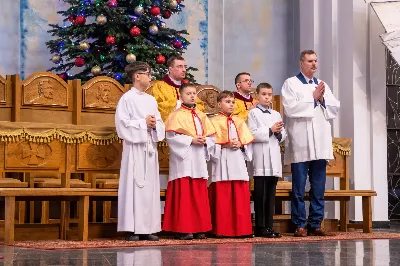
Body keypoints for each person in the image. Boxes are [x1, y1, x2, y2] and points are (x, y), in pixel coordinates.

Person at [281, 50, 340, 237]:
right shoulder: (291, 83)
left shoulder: (322, 84)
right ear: (301, 63)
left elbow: (334, 108)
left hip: (320, 142)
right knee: (298, 187)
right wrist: (312, 98)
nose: (314, 64)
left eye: (316, 60)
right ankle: (299, 224)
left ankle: (315, 223)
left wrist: (322, 99)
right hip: (301, 142)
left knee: (318, 187)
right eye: (310, 61)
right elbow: (290, 108)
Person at [115, 61, 165, 241]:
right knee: (134, 187)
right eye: (148, 73)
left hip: (149, 148)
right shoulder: (127, 99)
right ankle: (132, 228)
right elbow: (122, 125)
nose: (151, 77)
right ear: (137, 76)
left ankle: (147, 228)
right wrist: (143, 123)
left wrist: (154, 125)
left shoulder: (151, 100)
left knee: (150, 188)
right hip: (135, 149)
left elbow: (159, 123)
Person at [162, 83, 216, 240]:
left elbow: (212, 136)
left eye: (194, 93)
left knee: (199, 193)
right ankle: (183, 228)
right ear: (181, 96)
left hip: (198, 158)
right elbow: (171, 137)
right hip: (183, 160)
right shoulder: (176, 115)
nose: (192, 96)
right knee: (184, 193)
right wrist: (190, 139)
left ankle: (200, 227)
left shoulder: (201, 115)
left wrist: (205, 141)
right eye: (188, 93)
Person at [208, 90, 254, 237]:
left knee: (240, 195)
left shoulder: (239, 121)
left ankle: (242, 229)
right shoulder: (213, 121)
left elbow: (248, 144)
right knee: (223, 196)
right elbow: (209, 143)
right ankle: (222, 229)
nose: (231, 105)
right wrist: (224, 145)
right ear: (219, 104)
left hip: (237, 160)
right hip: (222, 159)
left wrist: (241, 144)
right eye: (227, 102)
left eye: (233, 102)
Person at [247, 83, 286, 238]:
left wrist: (278, 133)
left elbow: (283, 135)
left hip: (273, 158)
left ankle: (269, 226)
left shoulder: (276, 114)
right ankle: (260, 226)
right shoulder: (253, 113)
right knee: (260, 194)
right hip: (261, 158)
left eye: (269, 94)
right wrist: (270, 130)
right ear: (257, 95)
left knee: (270, 195)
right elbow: (252, 133)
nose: (267, 97)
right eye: (263, 94)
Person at [147, 55, 205, 121]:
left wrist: (191, 107)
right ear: (170, 69)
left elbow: (200, 105)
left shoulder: (187, 88)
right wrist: (179, 103)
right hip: (169, 127)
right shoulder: (159, 87)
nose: (184, 70)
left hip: (189, 124)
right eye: (179, 67)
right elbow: (158, 108)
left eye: (184, 67)